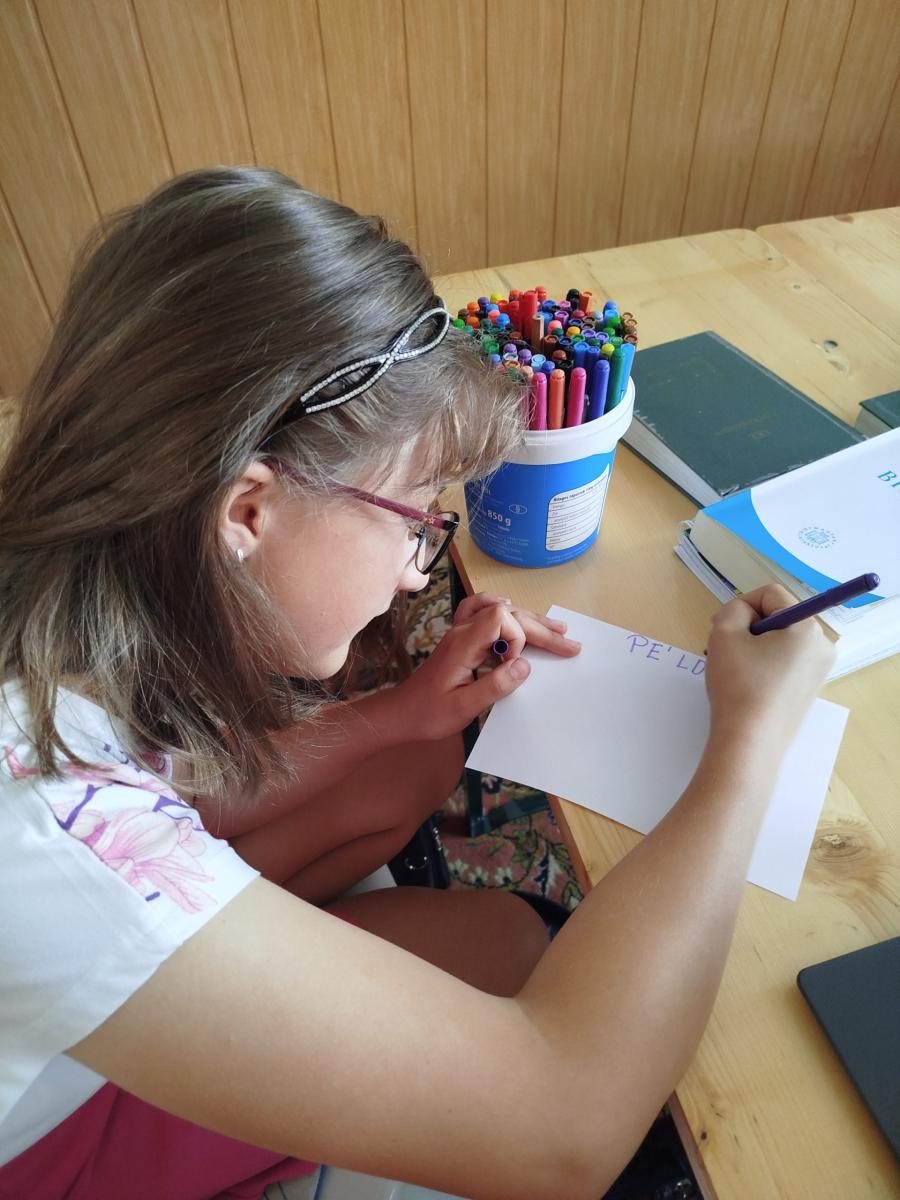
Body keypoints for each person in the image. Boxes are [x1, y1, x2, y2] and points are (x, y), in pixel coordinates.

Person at [0, 167, 834, 1200]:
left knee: (422, 785)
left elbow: (171, 800)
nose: (415, 570)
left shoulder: (68, 597)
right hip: (49, 1146)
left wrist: (397, 713)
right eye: (414, 513)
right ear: (247, 510)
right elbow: (563, 1130)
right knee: (517, 956)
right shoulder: (49, 830)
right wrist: (751, 743)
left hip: (51, 1013)